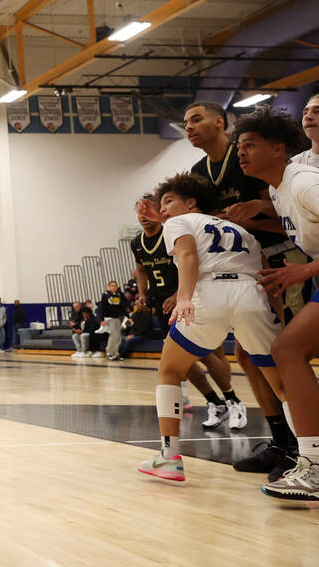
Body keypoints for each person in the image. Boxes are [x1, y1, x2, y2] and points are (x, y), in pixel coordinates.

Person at [137, 173, 288, 483]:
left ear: (190, 203)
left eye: (168, 201)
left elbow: (189, 254)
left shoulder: (181, 222)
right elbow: (264, 272)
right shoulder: (242, 230)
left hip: (209, 293)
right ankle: (309, 456)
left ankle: (169, 457)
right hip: (251, 293)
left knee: (169, 369)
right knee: (284, 384)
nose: (163, 209)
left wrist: (184, 298)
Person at [184, 101, 301, 475]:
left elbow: (289, 217)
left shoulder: (252, 159)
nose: (189, 126)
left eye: (196, 119)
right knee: (252, 357)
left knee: (283, 354)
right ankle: (284, 442)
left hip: (287, 259)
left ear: (221, 123)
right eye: (185, 122)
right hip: (248, 269)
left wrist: (255, 208)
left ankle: (301, 443)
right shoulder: (198, 172)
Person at [227, 107, 319, 499]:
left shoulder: (301, 182)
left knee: (288, 349)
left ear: (279, 148)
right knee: (288, 350)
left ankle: (313, 466)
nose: (241, 153)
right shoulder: (280, 189)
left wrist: (303, 271)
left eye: (250, 145)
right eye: (239, 147)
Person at [131, 195, 245, 429]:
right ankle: (215, 402)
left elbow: (191, 260)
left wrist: (180, 295)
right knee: (178, 360)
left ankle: (232, 400)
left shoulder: (175, 229)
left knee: (209, 354)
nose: (143, 217)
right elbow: (141, 270)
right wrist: (143, 294)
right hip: (163, 304)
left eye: (147, 211)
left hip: (191, 296)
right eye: (138, 213)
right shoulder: (137, 243)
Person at [98, 281, 127, 360]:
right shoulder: (105, 295)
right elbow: (101, 308)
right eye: (112, 286)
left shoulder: (118, 295)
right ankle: (109, 353)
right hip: (109, 318)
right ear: (109, 287)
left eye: (115, 286)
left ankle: (116, 353)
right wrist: (101, 319)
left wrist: (128, 316)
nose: (114, 287)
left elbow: (122, 307)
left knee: (118, 337)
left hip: (117, 318)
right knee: (113, 335)